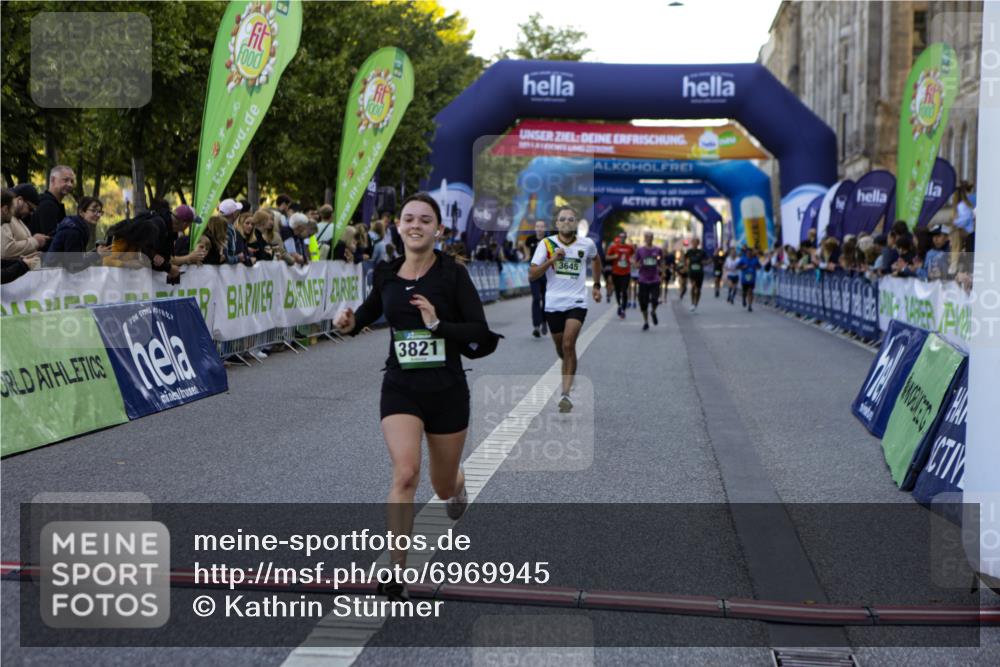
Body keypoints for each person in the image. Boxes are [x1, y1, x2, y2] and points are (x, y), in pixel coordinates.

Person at [333, 193, 497, 602]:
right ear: (398, 226)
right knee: (405, 474)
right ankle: (396, 572)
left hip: (447, 391)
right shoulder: (386, 273)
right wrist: (349, 322)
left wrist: (438, 325)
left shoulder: (453, 275)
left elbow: (479, 331)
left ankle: (458, 484)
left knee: (442, 487)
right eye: (409, 218)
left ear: (438, 230)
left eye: (425, 219)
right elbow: (368, 312)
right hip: (401, 387)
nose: (416, 225)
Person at [529, 205, 602, 413]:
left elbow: (596, 259)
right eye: (563, 219)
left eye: (571, 219)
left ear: (576, 223)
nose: (566, 222)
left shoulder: (586, 244)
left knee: (569, 344)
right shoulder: (546, 244)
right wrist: (552, 259)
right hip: (553, 304)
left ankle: (565, 394)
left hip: (577, 302)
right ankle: (570, 368)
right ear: (557, 223)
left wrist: (597, 285)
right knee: (562, 349)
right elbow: (532, 274)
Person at [44, 196, 109, 269]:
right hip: (53, 273)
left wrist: (96, 252)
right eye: (94, 211)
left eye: (100, 212)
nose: (98, 215)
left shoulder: (77, 227)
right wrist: (96, 255)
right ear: (81, 212)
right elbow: (73, 266)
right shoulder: (73, 232)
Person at [1, 188, 41, 282]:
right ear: (5, 209)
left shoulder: (16, 220)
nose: (12, 215)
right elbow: (6, 250)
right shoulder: (7, 222)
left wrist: (21, 261)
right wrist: (23, 265)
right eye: (12, 209)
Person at [2, 184, 48, 259]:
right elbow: (6, 250)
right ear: (20, 200)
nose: (30, 213)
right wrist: (35, 241)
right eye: (30, 209)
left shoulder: (16, 218)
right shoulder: (5, 218)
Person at [30, 165, 75, 239]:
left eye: (72, 181)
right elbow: (51, 239)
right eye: (66, 180)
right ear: (53, 180)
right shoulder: (47, 205)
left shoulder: (53, 204)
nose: (70, 185)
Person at [634, 231, 663, 331]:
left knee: (655, 299)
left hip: (655, 279)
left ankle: (653, 312)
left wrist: (662, 270)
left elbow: (661, 262)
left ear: (653, 238)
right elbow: (635, 263)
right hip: (643, 279)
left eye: (650, 237)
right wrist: (638, 265)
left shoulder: (658, 250)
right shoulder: (640, 250)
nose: (649, 239)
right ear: (644, 238)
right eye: (647, 237)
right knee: (643, 302)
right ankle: (646, 322)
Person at [524, 220, 548, 338]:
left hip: (546, 274)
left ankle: (544, 321)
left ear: (545, 228)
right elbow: (525, 248)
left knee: (546, 299)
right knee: (536, 298)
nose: (539, 228)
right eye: (537, 226)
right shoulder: (530, 240)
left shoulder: (548, 240)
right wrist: (527, 256)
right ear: (535, 228)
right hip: (534, 274)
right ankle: (536, 326)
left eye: (541, 226)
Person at [606, 231, 633, 318]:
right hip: (616, 273)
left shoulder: (629, 247)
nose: (622, 238)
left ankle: (623, 309)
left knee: (624, 291)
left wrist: (632, 260)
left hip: (626, 272)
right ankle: (619, 305)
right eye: (621, 237)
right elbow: (607, 257)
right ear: (619, 237)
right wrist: (614, 256)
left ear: (625, 238)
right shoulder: (614, 247)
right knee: (617, 291)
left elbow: (633, 255)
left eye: (624, 237)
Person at [684, 237, 708, 313]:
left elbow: (708, 260)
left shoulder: (701, 252)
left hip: (699, 273)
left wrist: (705, 262)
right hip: (692, 272)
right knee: (693, 286)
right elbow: (684, 259)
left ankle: (696, 303)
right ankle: (692, 303)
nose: (694, 244)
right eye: (693, 242)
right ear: (691, 243)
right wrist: (686, 266)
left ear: (698, 243)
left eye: (696, 242)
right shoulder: (689, 252)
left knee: (698, 290)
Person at [737, 247, 762, 312]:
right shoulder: (743, 259)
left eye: (750, 253)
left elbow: (759, 266)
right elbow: (737, 266)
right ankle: (744, 298)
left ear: (752, 253)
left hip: (752, 278)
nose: (749, 254)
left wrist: (757, 267)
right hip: (744, 278)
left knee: (750, 291)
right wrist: (743, 267)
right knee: (745, 292)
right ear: (746, 253)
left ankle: (750, 306)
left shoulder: (755, 259)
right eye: (748, 253)